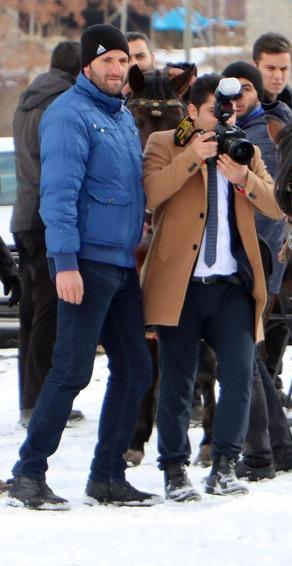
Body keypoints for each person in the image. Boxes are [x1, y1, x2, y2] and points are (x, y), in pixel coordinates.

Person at [8, 24, 158, 509]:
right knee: (71, 370)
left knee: (135, 369)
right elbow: (58, 195)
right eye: (107, 60)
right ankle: (28, 474)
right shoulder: (68, 114)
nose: (117, 69)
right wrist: (65, 263)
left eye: (122, 60)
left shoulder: (119, 117)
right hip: (86, 263)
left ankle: (107, 475)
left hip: (120, 264)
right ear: (87, 66)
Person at [142, 73, 282, 500]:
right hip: (180, 285)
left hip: (230, 287)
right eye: (214, 113)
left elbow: (276, 205)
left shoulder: (245, 150)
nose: (224, 120)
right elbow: (150, 194)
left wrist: (243, 176)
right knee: (178, 380)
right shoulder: (164, 144)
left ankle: (224, 464)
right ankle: (174, 470)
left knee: (239, 375)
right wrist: (191, 157)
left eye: (231, 112)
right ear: (192, 112)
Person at [219, 61, 292, 481]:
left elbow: (274, 208)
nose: (237, 100)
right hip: (232, 260)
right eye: (229, 94)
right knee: (247, 356)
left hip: (255, 259)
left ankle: (258, 453)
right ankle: (278, 449)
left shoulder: (264, 135)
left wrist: (264, 266)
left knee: (241, 357)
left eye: (245, 89)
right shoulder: (224, 133)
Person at [12, 41, 82, 429]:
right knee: (48, 311)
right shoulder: (58, 103)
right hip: (45, 217)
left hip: (24, 215)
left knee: (31, 311)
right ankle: (39, 403)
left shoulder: (28, 98)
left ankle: (30, 398)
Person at [253, 32, 292, 115]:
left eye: (284, 69)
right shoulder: (242, 107)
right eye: (270, 68)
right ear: (255, 67)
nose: (278, 76)